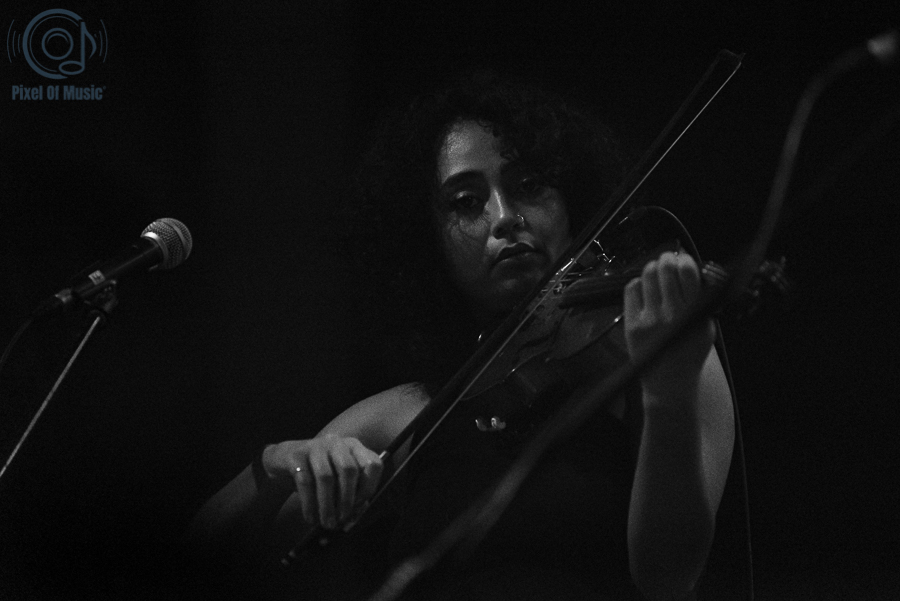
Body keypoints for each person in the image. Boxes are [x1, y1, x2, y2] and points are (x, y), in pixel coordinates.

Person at [188, 73, 735, 601]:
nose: (504, 217)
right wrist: (281, 461)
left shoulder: (658, 356)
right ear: (428, 240)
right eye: (466, 202)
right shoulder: (413, 413)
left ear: (571, 201)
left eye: (529, 186)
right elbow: (202, 556)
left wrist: (667, 392)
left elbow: (666, 577)